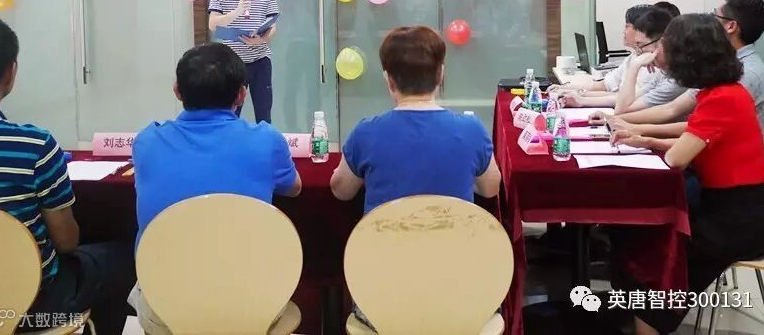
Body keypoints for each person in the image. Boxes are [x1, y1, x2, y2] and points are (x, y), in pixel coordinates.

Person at [610, 14, 764, 335]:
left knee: (653, 252)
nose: (660, 53)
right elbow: (693, 135)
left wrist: (645, 138)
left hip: (736, 222)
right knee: (638, 234)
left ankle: (647, 322)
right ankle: (630, 315)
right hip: (732, 211)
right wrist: (643, 138)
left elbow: (677, 157)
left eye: (667, 47)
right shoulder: (722, 92)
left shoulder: (722, 98)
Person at [330, 26, 501, 331]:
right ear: (441, 75)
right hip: (462, 298)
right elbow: (490, 188)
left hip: (381, 301)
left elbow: (341, 191)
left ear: (388, 79)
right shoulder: (471, 131)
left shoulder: (366, 132)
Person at [128, 43, 301, 333]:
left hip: (165, 307)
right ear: (242, 94)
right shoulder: (266, 140)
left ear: (177, 91)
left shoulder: (147, 142)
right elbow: (294, 188)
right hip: (253, 306)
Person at [0, 16, 134, 335]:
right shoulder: (34, 146)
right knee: (124, 256)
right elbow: (66, 241)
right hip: (30, 303)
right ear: (10, 74)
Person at [599, 0, 764, 146]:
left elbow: (701, 127)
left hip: (727, 163)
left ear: (731, 26)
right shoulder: (724, 65)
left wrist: (636, 129)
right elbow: (673, 108)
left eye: (715, 16)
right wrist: (614, 119)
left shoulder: (746, 74)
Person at [208, 0, 279, 123]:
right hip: (232, 63)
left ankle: (265, 140)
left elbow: (273, 26)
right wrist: (237, 12)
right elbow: (213, 24)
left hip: (260, 60)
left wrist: (261, 39)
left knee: (264, 112)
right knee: (230, 113)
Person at [562, 8, 672, 109]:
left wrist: (581, 97)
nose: (623, 31)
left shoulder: (658, 71)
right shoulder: (638, 58)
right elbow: (616, 96)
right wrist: (577, 94)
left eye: (627, 26)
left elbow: (624, 107)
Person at [555, 4, 653, 100]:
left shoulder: (651, 65)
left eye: (627, 26)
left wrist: (580, 95)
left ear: (641, 30)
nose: (624, 31)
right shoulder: (633, 56)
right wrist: (565, 88)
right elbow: (604, 85)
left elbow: (624, 98)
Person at [612, 8, 681, 114]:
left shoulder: (677, 80)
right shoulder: (664, 73)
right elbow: (629, 101)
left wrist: (634, 66)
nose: (638, 53)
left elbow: (622, 111)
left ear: (662, 43)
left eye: (641, 45)